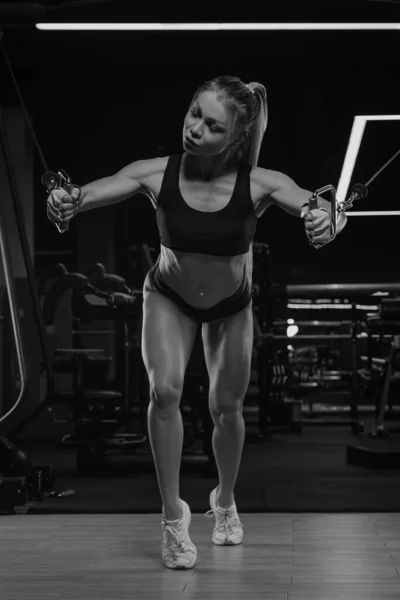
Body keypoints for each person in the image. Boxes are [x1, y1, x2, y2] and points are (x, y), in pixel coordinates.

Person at [46, 75, 347, 570]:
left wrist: (327, 220)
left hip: (232, 306)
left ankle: (224, 502)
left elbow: (320, 208)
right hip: (169, 296)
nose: (195, 129)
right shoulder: (155, 172)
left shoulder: (261, 183)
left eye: (212, 126)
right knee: (164, 393)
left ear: (235, 137)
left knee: (225, 409)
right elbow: (91, 191)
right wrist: (68, 198)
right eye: (193, 114)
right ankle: (171, 519)